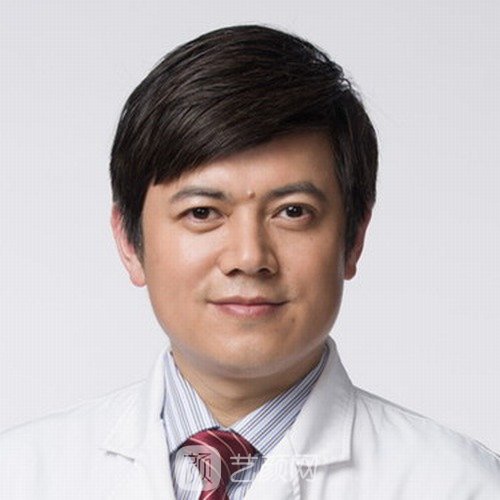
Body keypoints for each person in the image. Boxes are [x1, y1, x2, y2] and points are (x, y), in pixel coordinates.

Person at [0, 24, 498, 500]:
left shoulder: (462, 486)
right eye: (202, 213)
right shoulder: (20, 475)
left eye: (293, 212)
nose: (249, 257)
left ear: (354, 239)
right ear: (130, 242)